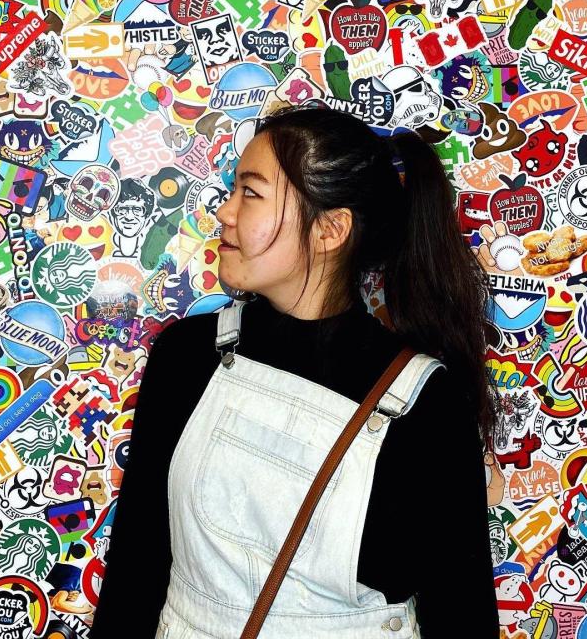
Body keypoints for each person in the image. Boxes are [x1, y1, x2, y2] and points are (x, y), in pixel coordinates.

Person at [89, 107, 501, 638]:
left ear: (331, 228)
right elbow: (137, 570)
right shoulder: (188, 356)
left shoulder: (424, 403)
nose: (224, 213)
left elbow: (461, 614)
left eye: (251, 193)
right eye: (233, 189)